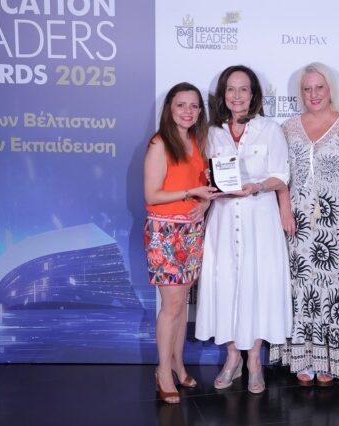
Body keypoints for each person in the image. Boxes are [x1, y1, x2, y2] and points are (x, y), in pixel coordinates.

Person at [270, 62, 339, 386]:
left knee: (334, 292)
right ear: (301, 93)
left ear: (330, 90)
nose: (313, 94)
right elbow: (280, 177)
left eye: (319, 87)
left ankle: (330, 359)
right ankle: (303, 358)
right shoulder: (287, 129)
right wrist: (285, 211)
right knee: (301, 292)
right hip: (298, 227)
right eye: (307, 89)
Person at [195, 65, 292, 394]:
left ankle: (254, 361)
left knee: (257, 286)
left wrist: (258, 186)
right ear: (223, 95)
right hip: (223, 221)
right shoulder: (212, 133)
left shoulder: (270, 129)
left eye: (244, 89)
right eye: (231, 89)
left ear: (254, 95)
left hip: (259, 220)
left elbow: (282, 176)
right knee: (226, 286)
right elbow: (205, 176)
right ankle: (232, 358)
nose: (237, 96)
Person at [144, 82, 217, 404]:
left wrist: (205, 201)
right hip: (166, 233)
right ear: (169, 109)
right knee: (171, 306)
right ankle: (163, 372)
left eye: (194, 106)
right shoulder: (160, 143)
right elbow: (152, 195)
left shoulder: (198, 143)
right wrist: (191, 193)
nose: (188, 111)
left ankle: (177, 364)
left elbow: (203, 188)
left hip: (192, 233)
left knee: (181, 304)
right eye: (181, 105)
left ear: (200, 111)